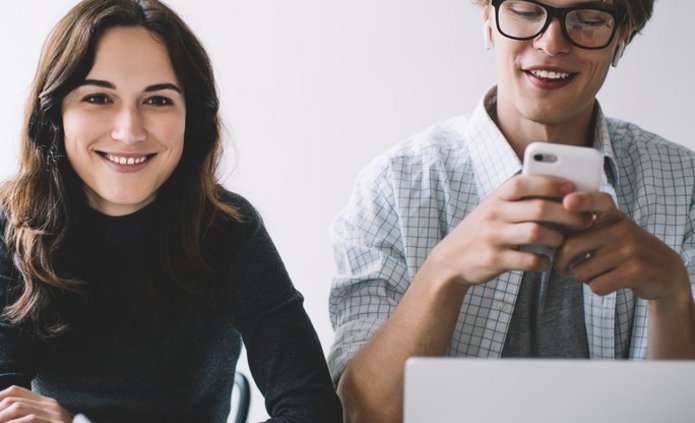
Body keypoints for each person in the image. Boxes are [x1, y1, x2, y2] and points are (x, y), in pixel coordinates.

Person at [328, 0, 695, 422]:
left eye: (589, 19)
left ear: (622, 38)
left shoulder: (685, 187)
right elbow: (359, 416)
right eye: (524, 10)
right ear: (488, 20)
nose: (552, 42)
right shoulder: (394, 187)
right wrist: (442, 272)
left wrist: (672, 295)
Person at [0, 0, 342, 422]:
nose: (129, 131)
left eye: (158, 100)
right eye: (98, 97)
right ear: (56, 114)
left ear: (191, 117)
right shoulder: (11, 224)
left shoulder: (227, 227)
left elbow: (312, 408)